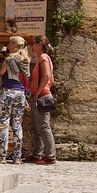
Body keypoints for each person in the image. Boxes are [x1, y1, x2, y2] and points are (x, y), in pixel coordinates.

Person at [0, 36, 30, 164]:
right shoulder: (26, 60)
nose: (8, 45)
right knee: (17, 124)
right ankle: (17, 157)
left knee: (4, 123)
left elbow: (0, 75)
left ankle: (3, 155)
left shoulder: (8, 59)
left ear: (14, 46)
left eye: (10, 43)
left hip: (7, 92)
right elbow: (26, 78)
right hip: (20, 93)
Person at [26, 35, 57, 165]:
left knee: (43, 127)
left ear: (39, 44)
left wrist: (37, 93)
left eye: (33, 43)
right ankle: (37, 154)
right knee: (38, 127)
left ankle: (50, 156)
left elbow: (46, 76)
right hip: (42, 95)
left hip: (41, 97)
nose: (31, 46)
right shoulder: (44, 58)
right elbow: (52, 80)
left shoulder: (44, 58)